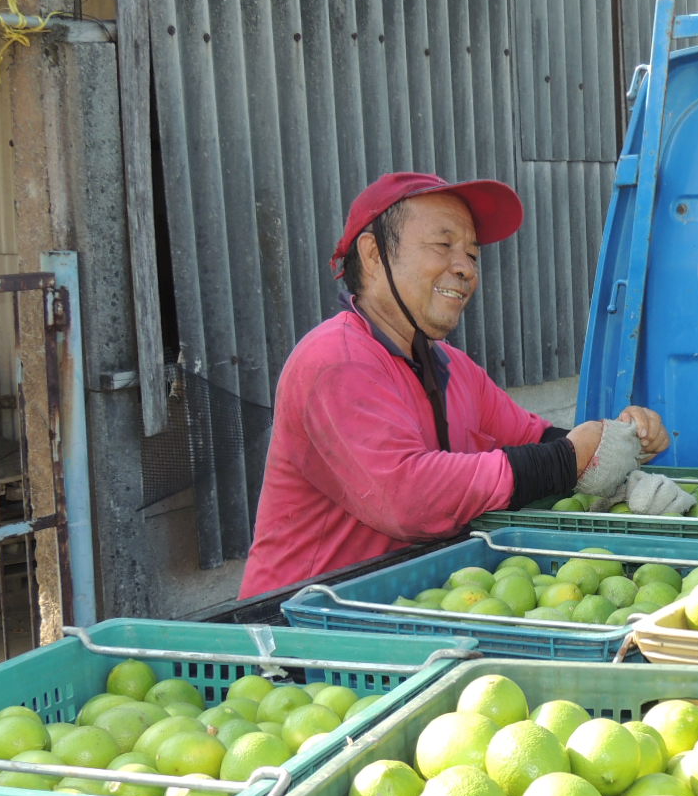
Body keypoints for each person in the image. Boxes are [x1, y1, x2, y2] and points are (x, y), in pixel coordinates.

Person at [239, 171, 674, 598]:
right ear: (373, 255)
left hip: (405, 600)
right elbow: (407, 498)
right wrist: (569, 458)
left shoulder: (448, 365)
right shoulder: (336, 359)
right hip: (297, 616)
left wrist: (616, 443)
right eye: (443, 245)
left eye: (472, 254)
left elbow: (535, 440)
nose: (465, 268)